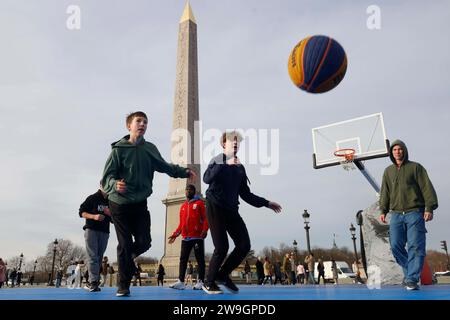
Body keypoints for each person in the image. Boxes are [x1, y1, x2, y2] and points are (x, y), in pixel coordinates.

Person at [101, 111, 196, 297]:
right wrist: (114, 184)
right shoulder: (118, 150)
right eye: (139, 121)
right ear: (129, 126)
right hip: (119, 204)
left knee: (144, 242)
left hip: (139, 203)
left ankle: (127, 257)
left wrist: (184, 172)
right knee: (125, 243)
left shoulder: (150, 149)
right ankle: (123, 285)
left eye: (145, 121)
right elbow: (106, 178)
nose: (142, 124)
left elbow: (166, 167)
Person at [202, 131, 282, 294]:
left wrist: (266, 203)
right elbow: (206, 179)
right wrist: (225, 164)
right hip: (215, 206)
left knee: (244, 245)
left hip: (232, 209)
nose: (236, 143)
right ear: (224, 144)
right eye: (232, 140)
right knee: (222, 247)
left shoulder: (240, 167)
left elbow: (245, 194)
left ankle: (222, 275)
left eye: (238, 141)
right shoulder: (217, 160)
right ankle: (208, 282)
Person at [379, 140, 438, 291]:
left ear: (404, 151)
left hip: (415, 213)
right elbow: (385, 192)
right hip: (396, 215)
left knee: (415, 246)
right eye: (395, 150)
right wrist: (383, 210)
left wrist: (429, 208)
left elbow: (426, 188)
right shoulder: (388, 171)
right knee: (395, 245)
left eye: (400, 149)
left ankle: (411, 279)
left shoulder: (416, 168)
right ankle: (411, 273)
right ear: (391, 153)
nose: (397, 152)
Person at [168, 184, 208, 291]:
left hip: (197, 237)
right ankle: (181, 281)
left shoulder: (199, 203)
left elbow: (205, 218)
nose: (187, 191)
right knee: (183, 259)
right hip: (186, 238)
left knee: (200, 260)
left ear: (194, 192)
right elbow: (181, 224)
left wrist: (205, 230)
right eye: (186, 189)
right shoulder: (183, 206)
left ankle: (200, 281)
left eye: (190, 190)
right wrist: (175, 235)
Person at [79, 183, 112, 292]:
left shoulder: (110, 201)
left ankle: (92, 281)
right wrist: (94, 216)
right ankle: (93, 282)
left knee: (99, 257)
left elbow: (114, 220)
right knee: (93, 256)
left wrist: (110, 213)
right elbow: (81, 212)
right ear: (102, 185)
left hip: (104, 232)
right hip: (91, 229)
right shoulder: (92, 198)